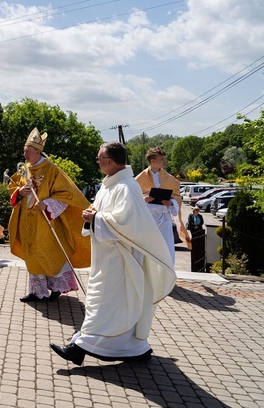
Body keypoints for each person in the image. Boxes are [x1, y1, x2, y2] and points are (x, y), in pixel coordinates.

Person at [50, 142, 176, 365]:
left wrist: (95, 218)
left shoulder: (126, 187)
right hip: (107, 258)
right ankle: (135, 348)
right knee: (113, 304)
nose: (97, 162)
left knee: (103, 303)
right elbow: (106, 215)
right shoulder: (110, 185)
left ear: (109, 161)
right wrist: (92, 215)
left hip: (120, 261)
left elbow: (127, 223)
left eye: (99, 158)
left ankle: (78, 348)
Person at [7, 128, 90, 302]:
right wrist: (20, 192)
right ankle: (37, 291)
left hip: (46, 220)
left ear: (38, 151)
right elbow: (13, 189)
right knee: (32, 254)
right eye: (24, 150)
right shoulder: (25, 170)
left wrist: (48, 203)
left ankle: (57, 287)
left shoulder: (52, 170)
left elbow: (67, 193)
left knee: (48, 253)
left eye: (27, 151)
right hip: (27, 219)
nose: (25, 154)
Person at [135, 147, 188, 263]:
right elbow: (133, 198)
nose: (165, 161)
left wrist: (171, 203)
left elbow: (177, 196)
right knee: (147, 248)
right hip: (148, 218)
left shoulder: (170, 179)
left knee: (167, 248)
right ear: (153, 161)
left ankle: (167, 277)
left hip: (164, 217)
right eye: (162, 159)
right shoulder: (139, 179)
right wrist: (145, 199)